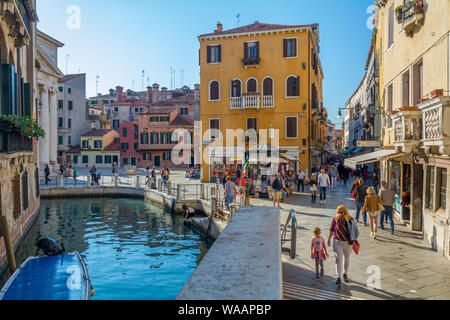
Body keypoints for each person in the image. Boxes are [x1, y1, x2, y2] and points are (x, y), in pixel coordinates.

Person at [328, 205, 354, 285]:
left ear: (345, 212)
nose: (339, 213)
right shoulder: (335, 219)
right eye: (338, 212)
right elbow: (332, 229)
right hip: (337, 242)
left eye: (341, 212)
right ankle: (338, 276)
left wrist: (347, 221)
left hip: (347, 243)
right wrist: (329, 238)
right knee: (338, 259)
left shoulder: (350, 219)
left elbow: (354, 230)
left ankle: (345, 274)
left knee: (347, 259)